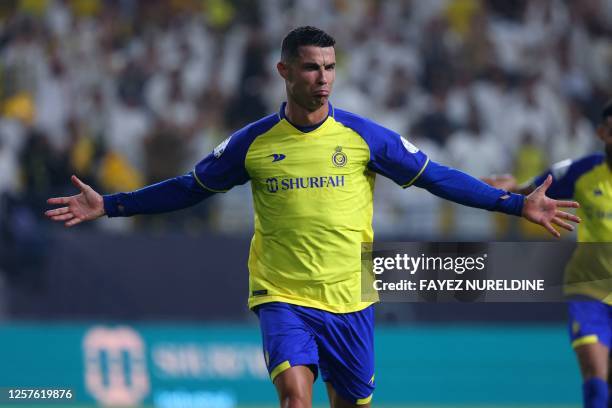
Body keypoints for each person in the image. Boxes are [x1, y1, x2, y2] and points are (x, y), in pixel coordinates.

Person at [46, 26, 580, 408]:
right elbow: (190, 188)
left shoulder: (364, 136)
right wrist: (110, 204)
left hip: (352, 298)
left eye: (329, 68)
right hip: (282, 295)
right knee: (294, 399)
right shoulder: (252, 143)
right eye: (310, 67)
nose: (322, 78)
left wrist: (515, 204)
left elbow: (436, 176)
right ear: (284, 71)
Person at [484, 100, 612, 408]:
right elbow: (534, 192)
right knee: (595, 378)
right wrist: (512, 188)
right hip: (590, 291)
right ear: (601, 133)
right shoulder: (581, 171)